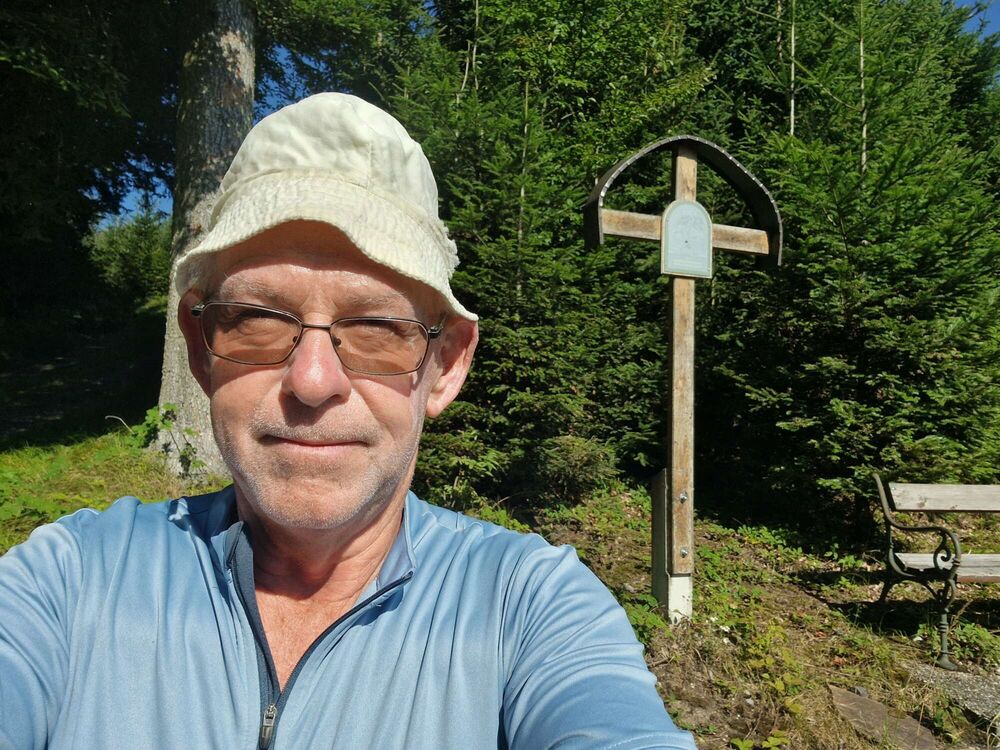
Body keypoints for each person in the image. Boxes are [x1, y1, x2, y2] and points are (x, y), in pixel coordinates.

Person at [0, 93, 697, 749]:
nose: (312, 382)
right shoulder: (71, 580)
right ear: (200, 346)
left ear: (446, 365)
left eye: (377, 329)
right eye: (257, 319)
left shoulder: (528, 609)